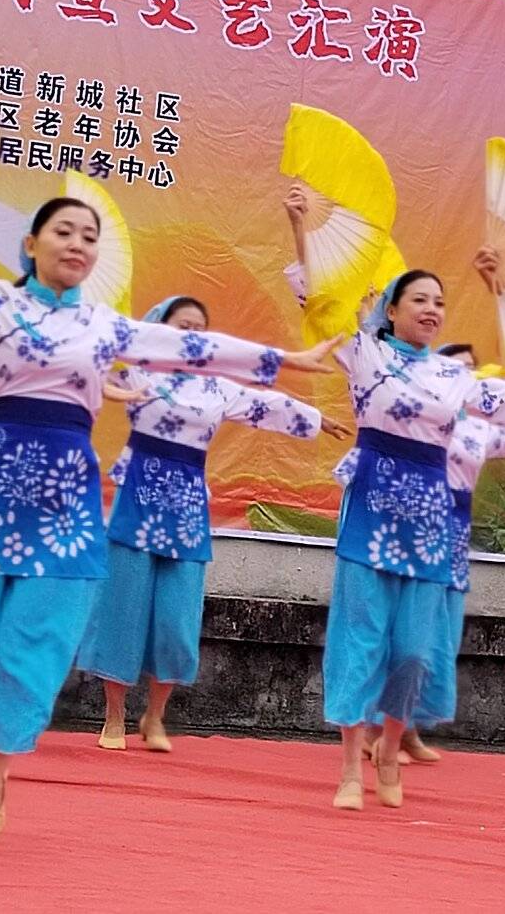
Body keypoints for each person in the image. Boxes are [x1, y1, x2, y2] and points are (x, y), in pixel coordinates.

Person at [0, 197, 334, 856]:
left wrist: (286, 359)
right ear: (30, 244)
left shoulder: (105, 328)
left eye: (90, 236)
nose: (78, 243)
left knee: (25, 651)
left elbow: (196, 348)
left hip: (64, 501)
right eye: (63, 231)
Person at [311, 263, 505, 812]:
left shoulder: (450, 375)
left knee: (414, 651)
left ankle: (390, 750)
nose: (432, 308)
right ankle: (348, 769)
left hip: (430, 526)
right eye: (419, 299)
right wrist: (300, 227)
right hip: (371, 515)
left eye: (439, 300)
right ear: (392, 309)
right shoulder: (367, 355)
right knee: (360, 642)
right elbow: (316, 302)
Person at [75, 294, 342, 753]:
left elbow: (267, 405)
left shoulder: (218, 386)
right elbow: (84, 373)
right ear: (160, 329)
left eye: (200, 326)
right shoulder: (139, 368)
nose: (192, 334)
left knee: (178, 618)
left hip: (187, 504)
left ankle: (155, 716)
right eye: (182, 325)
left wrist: (318, 419)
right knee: (122, 606)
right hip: (138, 495)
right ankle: (113, 716)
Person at [366, 342, 505, 765]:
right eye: (456, 369)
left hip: (451, 541)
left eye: (472, 370)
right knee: (402, 632)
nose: (464, 378)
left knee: (438, 638)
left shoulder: (475, 430)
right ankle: (379, 728)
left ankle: (407, 727)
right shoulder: (413, 421)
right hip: (410, 536)